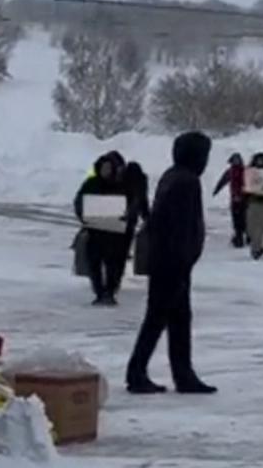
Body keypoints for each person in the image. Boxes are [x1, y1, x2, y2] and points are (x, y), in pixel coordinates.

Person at [126, 131, 217, 395]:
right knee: (158, 318)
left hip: (168, 260)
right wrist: (182, 261)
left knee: (177, 319)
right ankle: (138, 371)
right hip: (173, 262)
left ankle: (183, 373)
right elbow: (179, 227)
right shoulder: (186, 182)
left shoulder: (172, 176)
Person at [74, 152, 128, 306]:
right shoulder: (90, 183)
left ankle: (110, 292)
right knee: (94, 263)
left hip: (114, 233)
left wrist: (126, 216)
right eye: (104, 168)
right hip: (95, 230)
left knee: (113, 264)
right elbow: (79, 201)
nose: (106, 171)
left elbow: (128, 203)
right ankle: (99, 292)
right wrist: (83, 217)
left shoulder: (120, 185)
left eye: (109, 168)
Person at [212, 153, 247, 248]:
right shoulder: (243, 171)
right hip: (241, 199)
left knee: (238, 220)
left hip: (239, 199)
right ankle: (243, 238)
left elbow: (222, 181)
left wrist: (216, 190)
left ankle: (239, 239)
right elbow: (222, 181)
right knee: (242, 219)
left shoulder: (232, 171)